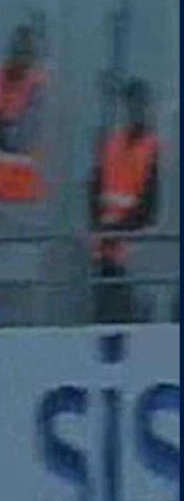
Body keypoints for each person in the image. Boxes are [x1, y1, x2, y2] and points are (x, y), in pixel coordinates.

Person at [89, 78, 159, 322]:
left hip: (135, 246)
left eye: (140, 105)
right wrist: (100, 229)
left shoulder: (153, 147)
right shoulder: (111, 144)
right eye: (131, 105)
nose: (134, 112)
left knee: (132, 314)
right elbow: (94, 189)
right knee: (104, 313)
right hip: (105, 247)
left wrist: (117, 230)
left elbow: (151, 206)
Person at [0, 25, 47, 201]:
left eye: (25, 53)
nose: (20, 59)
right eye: (16, 52)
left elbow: (21, 138)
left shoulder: (36, 89)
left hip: (20, 190)